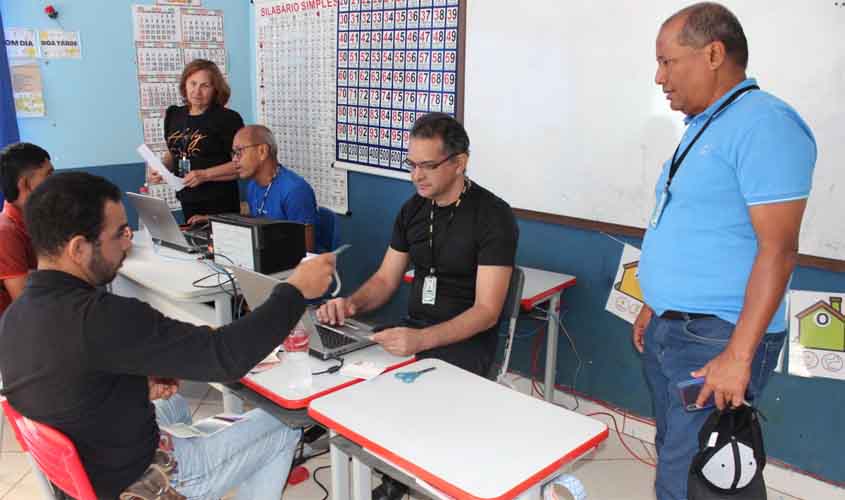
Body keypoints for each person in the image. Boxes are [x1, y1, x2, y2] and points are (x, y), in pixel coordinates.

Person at [0, 172, 336, 499]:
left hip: (86, 476)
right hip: (143, 482)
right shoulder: (104, 317)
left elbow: (66, 382)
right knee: (282, 422)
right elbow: (224, 357)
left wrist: (129, 387)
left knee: (172, 403)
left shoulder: (14, 318)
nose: (128, 242)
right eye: (119, 233)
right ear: (78, 248)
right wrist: (294, 291)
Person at [633, 3, 817, 499]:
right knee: (683, 456)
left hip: (716, 337)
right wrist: (657, 302)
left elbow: (778, 249)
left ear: (713, 54)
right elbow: (692, 225)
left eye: (667, 62)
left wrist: (738, 355)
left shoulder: (765, 124)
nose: (659, 77)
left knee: (694, 476)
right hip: (677, 327)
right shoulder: (704, 126)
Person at [319, 112, 518, 500]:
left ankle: (411, 477)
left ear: (459, 162)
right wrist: (350, 304)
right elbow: (384, 280)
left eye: (427, 165)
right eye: (411, 164)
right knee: (344, 376)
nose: (416, 176)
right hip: (415, 327)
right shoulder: (413, 210)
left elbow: (487, 311)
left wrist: (422, 340)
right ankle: (391, 471)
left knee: (414, 399)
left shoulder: (493, 217)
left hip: (466, 341)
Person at [150, 59, 244, 222]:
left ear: (215, 89)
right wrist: (162, 168)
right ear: (184, 84)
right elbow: (174, 152)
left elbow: (241, 165)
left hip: (219, 201)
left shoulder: (228, 118)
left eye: (205, 86)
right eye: (193, 83)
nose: (197, 91)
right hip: (187, 198)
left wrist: (205, 175)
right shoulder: (174, 115)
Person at [230, 124, 320, 250]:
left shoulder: (295, 190)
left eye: (239, 152)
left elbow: (306, 251)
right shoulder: (252, 186)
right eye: (233, 153)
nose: (234, 159)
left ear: (262, 151)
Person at [0, 142, 53, 316]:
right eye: (48, 175)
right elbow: (28, 305)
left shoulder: (36, 220)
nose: (55, 183)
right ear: (24, 184)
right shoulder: (5, 232)